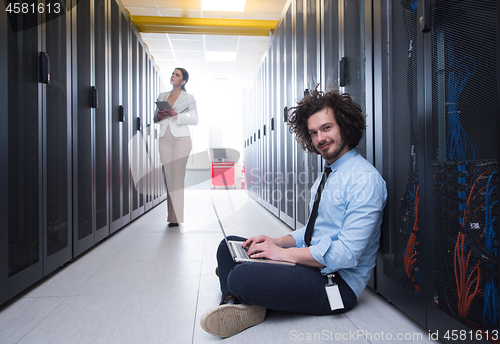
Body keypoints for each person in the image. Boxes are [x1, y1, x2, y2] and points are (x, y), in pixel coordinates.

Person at [200, 86, 387, 338]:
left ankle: (237, 289)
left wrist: (282, 255)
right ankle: (237, 302)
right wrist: (277, 242)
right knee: (229, 245)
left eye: (327, 128)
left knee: (241, 275)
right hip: (312, 265)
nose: (320, 138)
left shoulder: (364, 179)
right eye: (313, 132)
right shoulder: (328, 173)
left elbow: (346, 254)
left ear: (345, 125)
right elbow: (314, 229)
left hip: (335, 283)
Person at [154, 68, 198, 227]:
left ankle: (175, 218)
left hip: (181, 138)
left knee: (177, 176)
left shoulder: (189, 98)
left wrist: (177, 115)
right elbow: (156, 118)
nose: (173, 76)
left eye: (177, 75)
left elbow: (194, 119)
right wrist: (158, 116)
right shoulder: (162, 96)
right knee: (168, 176)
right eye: (173, 73)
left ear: (183, 81)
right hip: (165, 137)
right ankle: (172, 216)